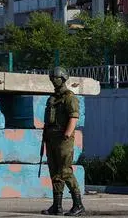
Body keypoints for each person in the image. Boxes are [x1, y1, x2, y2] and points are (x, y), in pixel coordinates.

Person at [42, 66, 85, 215]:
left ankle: (78, 205)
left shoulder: (70, 97)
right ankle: (57, 206)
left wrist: (67, 134)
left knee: (65, 171)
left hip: (63, 140)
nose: (54, 80)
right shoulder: (52, 98)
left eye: (57, 77)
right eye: (52, 77)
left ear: (64, 78)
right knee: (54, 172)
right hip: (51, 139)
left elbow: (74, 117)